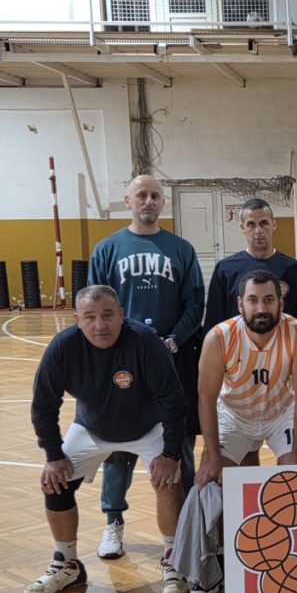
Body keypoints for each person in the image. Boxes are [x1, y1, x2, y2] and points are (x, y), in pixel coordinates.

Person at [26, 285, 188, 593]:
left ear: (122, 315)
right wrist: (53, 455)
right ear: (77, 320)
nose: (100, 325)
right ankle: (67, 564)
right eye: (90, 317)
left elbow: (173, 400)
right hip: (92, 428)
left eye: (108, 315)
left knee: (169, 480)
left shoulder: (145, 342)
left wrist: (170, 454)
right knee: (54, 482)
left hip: (148, 427)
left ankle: (174, 559)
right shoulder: (63, 347)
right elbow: (44, 404)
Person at [87, 174, 205, 562]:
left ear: (163, 202)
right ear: (128, 201)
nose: (149, 201)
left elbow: (195, 304)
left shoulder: (181, 249)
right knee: (117, 448)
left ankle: (185, 526)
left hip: (171, 361)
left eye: (155, 195)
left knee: (179, 444)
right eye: (142, 195)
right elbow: (94, 307)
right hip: (121, 364)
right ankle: (113, 522)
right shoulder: (107, 249)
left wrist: (173, 340)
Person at [195, 269, 297, 484]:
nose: (261, 309)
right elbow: (206, 398)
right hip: (235, 416)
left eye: (268, 300)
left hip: (281, 413)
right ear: (240, 304)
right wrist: (213, 458)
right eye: (253, 300)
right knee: (212, 479)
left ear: (281, 303)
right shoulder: (219, 337)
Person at [203, 197, 297, 333]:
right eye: (251, 224)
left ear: (274, 225)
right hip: (237, 345)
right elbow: (214, 323)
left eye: (264, 223)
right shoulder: (225, 269)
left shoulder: (294, 269)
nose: (258, 230)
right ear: (242, 228)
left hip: (284, 344)